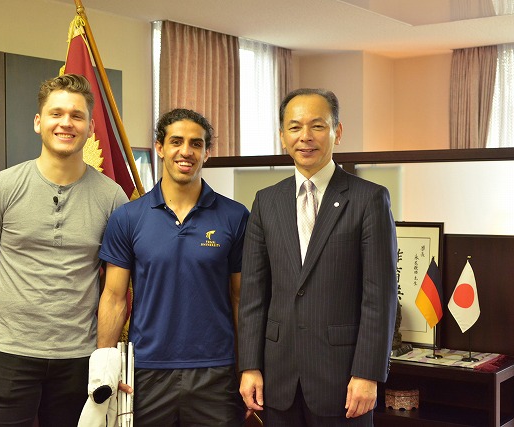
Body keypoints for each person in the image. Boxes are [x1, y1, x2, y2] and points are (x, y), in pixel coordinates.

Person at [0, 74, 128, 427]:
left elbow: (118, 286)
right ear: (39, 122)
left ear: (89, 126)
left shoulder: (113, 198)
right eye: (56, 114)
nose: (66, 122)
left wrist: (107, 362)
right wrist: (17, 317)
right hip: (10, 354)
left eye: (77, 115)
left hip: (79, 359)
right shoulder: (1, 189)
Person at [238, 88, 398, 426]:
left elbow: (379, 298)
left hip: (343, 380)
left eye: (318, 126)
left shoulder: (368, 199)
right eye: (294, 127)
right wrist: (249, 365)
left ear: (337, 132)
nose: (305, 137)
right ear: (282, 136)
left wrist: (368, 374)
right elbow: (253, 294)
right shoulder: (266, 202)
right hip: (278, 378)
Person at [97, 108, 250, 426]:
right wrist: (104, 369)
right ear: (160, 147)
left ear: (207, 152)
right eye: (176, 141)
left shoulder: (235, 217)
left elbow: (241, 300)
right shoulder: (128, 217)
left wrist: (247, 368)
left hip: (216, 373)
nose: (186, 151)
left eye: (196, 144)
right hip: (147, 372)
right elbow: (113, 298)